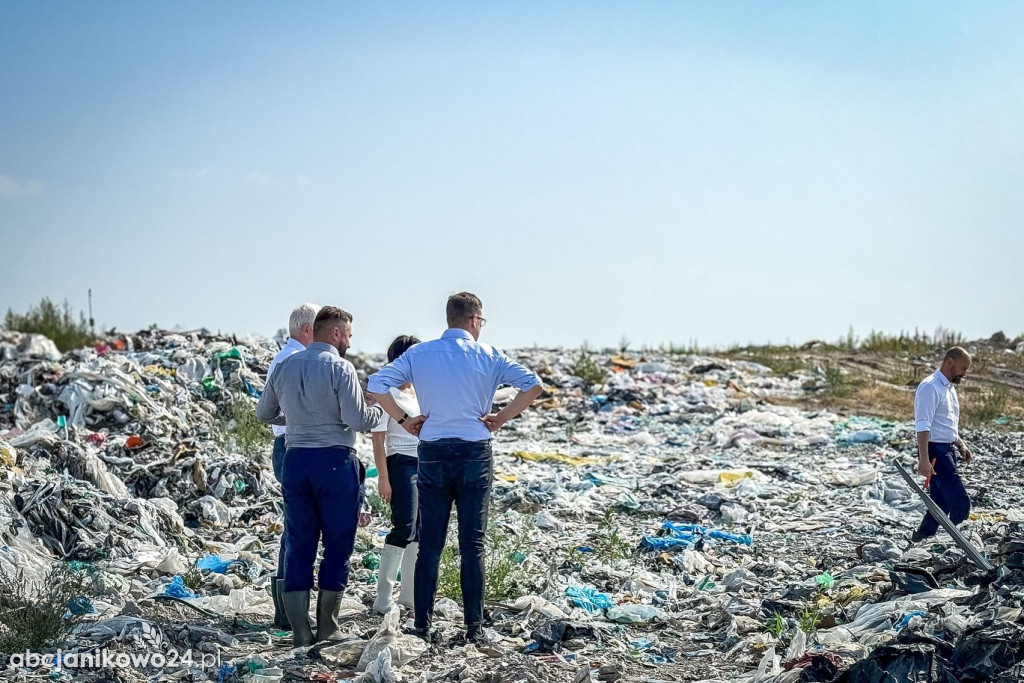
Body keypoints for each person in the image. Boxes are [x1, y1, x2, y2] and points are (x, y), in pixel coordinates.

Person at [368, 292, 543, 644]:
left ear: (449, 319)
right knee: (472, 543)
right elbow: (533, 385)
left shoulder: (419, 353)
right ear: (475, 320)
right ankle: (473, 627)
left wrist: (404, 419)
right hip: (474, 450)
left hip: (431, 450)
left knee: (430, 542)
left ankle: (422, 625)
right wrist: (500, 418)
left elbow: (376, 384)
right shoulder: (489, 354)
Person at [256, 306, 383, 646]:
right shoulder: (340, 368)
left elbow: (264, 412)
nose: (350, 344)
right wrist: (378, 409)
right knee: (338, 544)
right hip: (334, 462)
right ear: (337, 333)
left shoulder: (284, 366)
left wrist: (299, 416)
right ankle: (328, 626)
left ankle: (299, 630)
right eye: (349, 336)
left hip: (296, 461)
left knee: (299, 542)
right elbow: (358, 420)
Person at [266, 303, 319, 630]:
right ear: (307, 330)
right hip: (293, 445)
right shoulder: (293, 361)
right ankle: (290, 612)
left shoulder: (286, 358)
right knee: (299, 529)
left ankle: (288, 611)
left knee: (296, 527)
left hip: (289, 445)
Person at [370, 335, 422, 614]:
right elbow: (378, 439)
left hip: (424, 463)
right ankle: (383, 597)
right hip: (400, 462)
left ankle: (410, 597)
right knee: (403, 525)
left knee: (419, 532)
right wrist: (383, 477)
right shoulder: (386, 392)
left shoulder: (420, 393)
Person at [912, 346, 974, 543]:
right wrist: (924, 460)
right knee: (960, 503)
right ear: (950, 363)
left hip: (946, 448)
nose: (964, 373)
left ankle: (921, 537)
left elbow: (945, 423)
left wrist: (960, 443)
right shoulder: (930, 387)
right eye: (963, 368)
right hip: (935, 450)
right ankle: (958, 544)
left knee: (940, 501)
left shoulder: (949, 388)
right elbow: (923, 425)